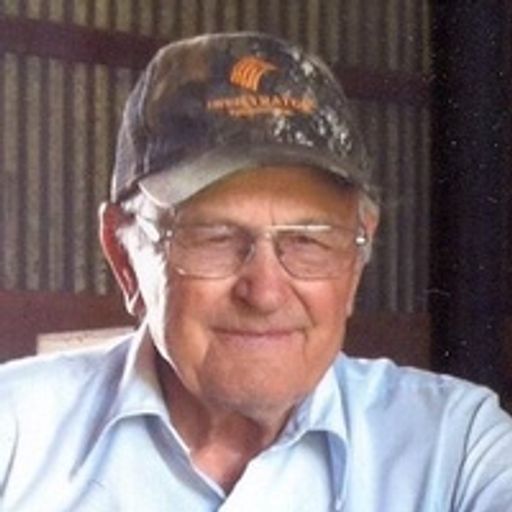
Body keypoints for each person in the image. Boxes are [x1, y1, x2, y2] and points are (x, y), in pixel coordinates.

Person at [1, 32, 511, 512]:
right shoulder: (16, 434)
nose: (265, 292)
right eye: (214, 237)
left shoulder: (455, 447)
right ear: (123, 256)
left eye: (308, 240)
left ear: (357, 260)